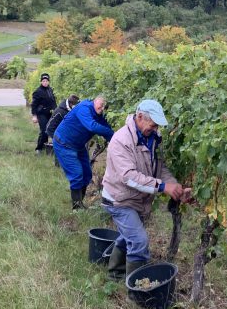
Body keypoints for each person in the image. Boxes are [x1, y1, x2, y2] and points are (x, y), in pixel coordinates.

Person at [101, 98, 191, 279]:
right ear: (140, 117)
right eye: (153, 124)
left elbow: (160, 168)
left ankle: (115, 273)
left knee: (129, 236)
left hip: (136, 199)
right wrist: (163, 187)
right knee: (139, 241)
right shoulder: (121, 141)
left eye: (157, 126)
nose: (155, 129)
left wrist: (175, 187)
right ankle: (136, 288)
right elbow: (129, 177)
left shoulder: (153, 139)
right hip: (119, 199)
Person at [52, 96, 114, 210]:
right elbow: (91, 126)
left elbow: (107, 130)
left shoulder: (99, 114)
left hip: (78, 145)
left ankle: (80, 203)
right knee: (77, 174)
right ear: (95, 101)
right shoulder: (84, 108)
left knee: (87, 174)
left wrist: (117, 140)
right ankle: (76, 208)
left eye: (104, 107)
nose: (102, 108)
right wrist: (109, 132)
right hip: (64, 144)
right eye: (101, 105)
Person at [30, 73, 58, 153]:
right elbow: (34, 104)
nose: (45, 82)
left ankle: (45, 147)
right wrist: (34, 116)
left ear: (48, 82)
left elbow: (53, 102)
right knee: (44, 130)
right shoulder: (38, 91)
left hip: (50, 113)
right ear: (41, 82)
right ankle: (38, 148)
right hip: (41, 113)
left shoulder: (50, 90)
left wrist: (55, 110)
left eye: (46, 81)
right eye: (43, 81)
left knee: (49, 130)